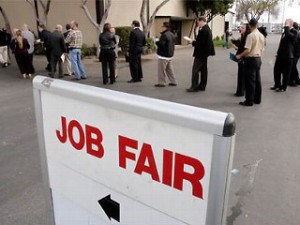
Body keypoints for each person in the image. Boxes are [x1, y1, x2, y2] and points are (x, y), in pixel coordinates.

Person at [236, 18, 265, 107]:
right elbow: (262, 49)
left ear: (250, 25)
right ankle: (257, 99)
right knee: (257, 80)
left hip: (251, 59)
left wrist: (240, 55)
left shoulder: (251, 36)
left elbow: (248, 50)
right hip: (258, 58)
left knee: (249, 82)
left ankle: (249, 100)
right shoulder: (261, 35)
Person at [186, 16, 215, 92]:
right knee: (203, 70)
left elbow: (200, 43)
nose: (197, 24)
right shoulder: (208, 29)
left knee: (195, 69)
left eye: (198, 22)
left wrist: (192, 42)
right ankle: (202, 85)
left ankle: (194, 86)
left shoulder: (203, 30)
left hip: (200, 53)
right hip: (205, 53)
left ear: (201, 21)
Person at [270, 18, 298, 92]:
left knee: (286, 72)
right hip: (281, 55)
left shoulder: (294, 31)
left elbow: (291, 37)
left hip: (288, 56)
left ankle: (283, 87)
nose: (285, 24)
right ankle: (277, 84)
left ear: (291, 24)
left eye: (286, 23)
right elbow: (282, 44)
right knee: (276, 70)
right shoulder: (285, 32)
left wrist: (286, 29)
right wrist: (278, 52)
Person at [154, 22, 177, 87]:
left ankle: (161, 82)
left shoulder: (164, 35)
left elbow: (161, 45)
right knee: (169, 69)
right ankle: (173, 81)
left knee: (161, 70)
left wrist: (156, 42)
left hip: (163, 55)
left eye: (162, 27)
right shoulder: (171, 34)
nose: (161, 28)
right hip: (170, 54)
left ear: (165, 27)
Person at [231, 23, 251, 96]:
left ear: (246, 29)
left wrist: (240, 55)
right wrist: (236, 46)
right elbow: (241, 47)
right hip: (241, 58)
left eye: (243, 28)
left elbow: (245, 49)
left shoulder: (247, 37)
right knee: (241, 75)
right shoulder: (243, 36)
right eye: (241, 28)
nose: (241, 29)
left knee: (241, 75)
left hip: (243, 59)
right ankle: (241, 90)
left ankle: (240, 92)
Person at [289, 22, 300, 86]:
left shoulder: (297, 33)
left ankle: (295, 80)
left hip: (296, 52)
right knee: (293, 66)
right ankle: (295, 80)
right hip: (295, 52)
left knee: (293, 66)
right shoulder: (297, 33)